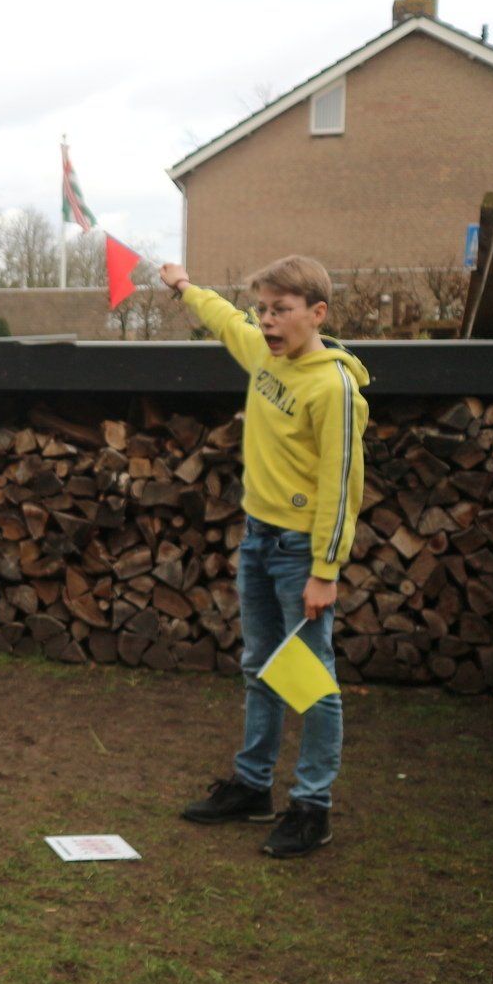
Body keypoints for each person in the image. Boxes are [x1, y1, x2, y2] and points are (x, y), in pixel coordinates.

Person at [161, 255, 370, 858]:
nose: (268, 322)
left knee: (312, 682)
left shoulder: (335, 389)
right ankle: (253, 788)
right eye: (264, 310)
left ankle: (313, 807)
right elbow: (225, 320)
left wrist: (325, 572)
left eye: (281, 310)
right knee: (260, 668)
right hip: (258, 538)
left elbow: (341, 487)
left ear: (317, 313)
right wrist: (182, 287)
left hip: (300, 553)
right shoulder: (263, 354)